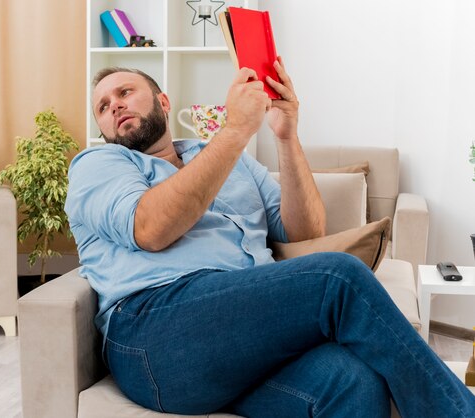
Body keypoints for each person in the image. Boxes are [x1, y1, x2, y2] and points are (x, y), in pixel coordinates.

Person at [64, 60, 475, 418]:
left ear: (163, 102)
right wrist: (236, 128)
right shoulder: (98, 165)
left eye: (125, 92)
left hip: (242, 335)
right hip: (155, 337)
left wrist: (285, 136)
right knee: (338, 277)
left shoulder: (232, 161)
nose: (114, 105)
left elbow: (305, 231)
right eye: (102, 106)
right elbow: (150, 229)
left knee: (353, 381)